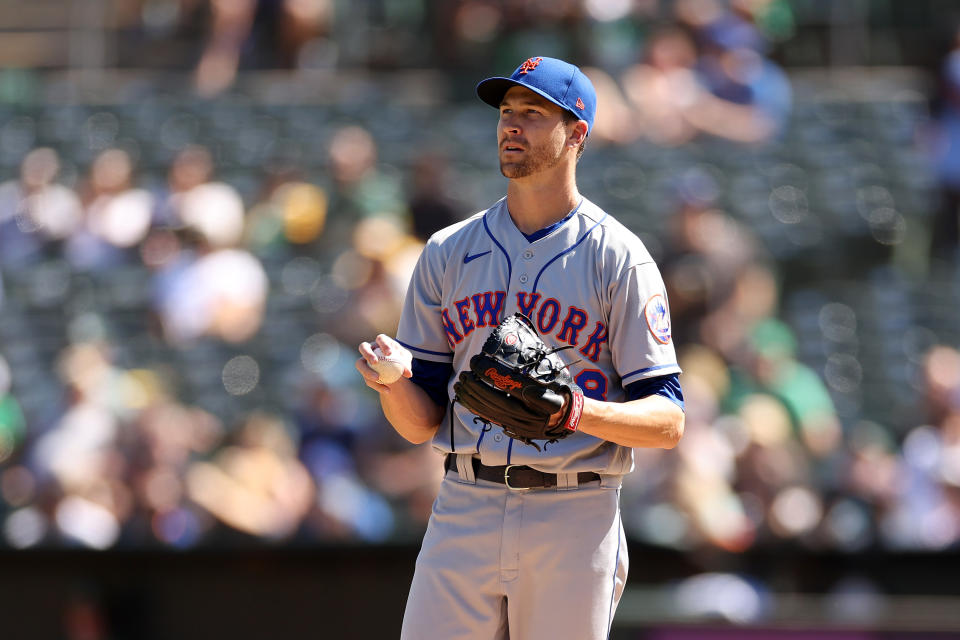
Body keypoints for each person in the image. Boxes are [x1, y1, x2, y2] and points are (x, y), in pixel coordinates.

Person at [355, 56, 685, 640]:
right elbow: (418, 424)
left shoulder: (619, 258)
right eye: (507, 112)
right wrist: (392, 384)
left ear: (577, 133)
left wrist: (577, 412)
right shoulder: (447, 252)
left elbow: (667, 420)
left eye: (533, 113)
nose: (512, 125)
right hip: (464, 500)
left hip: (574, 511)